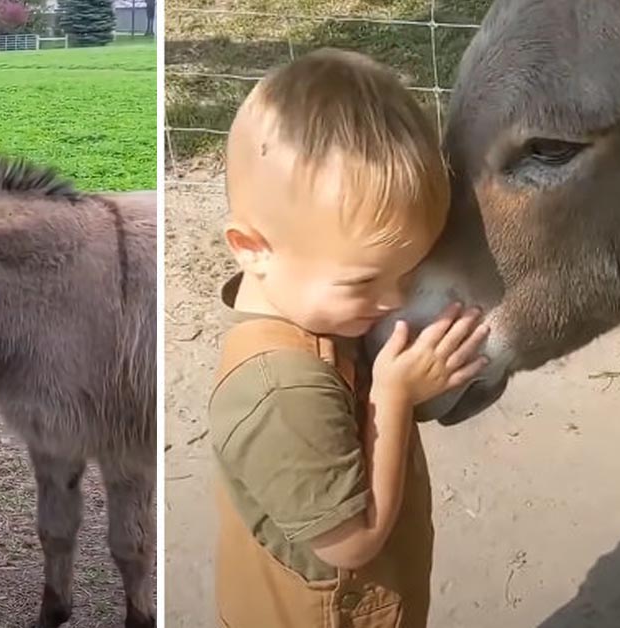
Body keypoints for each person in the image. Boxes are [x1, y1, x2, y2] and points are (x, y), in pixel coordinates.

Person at [208, 48, 490, 628]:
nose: (391, 300)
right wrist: (394, 395)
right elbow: (353, 545)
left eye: (408, 273)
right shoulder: (281, 396)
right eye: (364, 280)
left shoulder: (317, 310)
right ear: (252, 249)